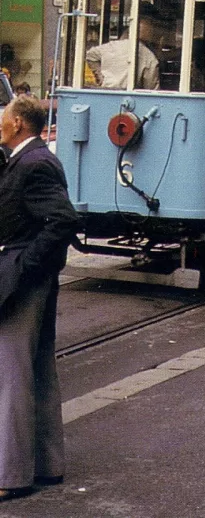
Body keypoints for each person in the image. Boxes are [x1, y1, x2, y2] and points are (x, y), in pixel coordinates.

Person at [0, 96, 81, 500]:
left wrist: (26, 263)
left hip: (22, 279)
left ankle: (10, 474)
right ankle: (48, 464)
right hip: (36, 277)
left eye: (3, 117)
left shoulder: (32, 163)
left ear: (17, 123)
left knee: (12, 372)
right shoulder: (29, 158)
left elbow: (63, 219)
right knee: (39, 369)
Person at [86, 4, 160, 90]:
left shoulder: (111, 47)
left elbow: (90, 55)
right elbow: (151, 90)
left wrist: (101, 78)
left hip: (106, 92)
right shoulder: (149, 57)